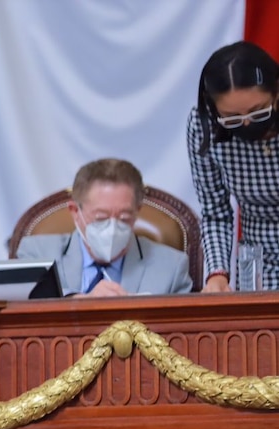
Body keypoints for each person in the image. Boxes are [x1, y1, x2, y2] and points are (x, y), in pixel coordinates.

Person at [16, 158, 194, 297]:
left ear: (137, 211)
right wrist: (78, 301)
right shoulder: (36, 254)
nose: (113, 227)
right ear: (75, 211)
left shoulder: (172, 267)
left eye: (124, 217)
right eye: (101, 218)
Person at [187, 40, 279, 292]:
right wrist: (217, 274)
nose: (247, 124)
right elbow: (215, 212)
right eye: (233, 118)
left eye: (259, 112)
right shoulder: (202, 128)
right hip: (260, 265)